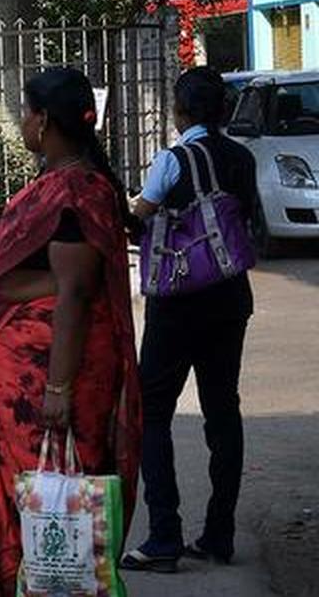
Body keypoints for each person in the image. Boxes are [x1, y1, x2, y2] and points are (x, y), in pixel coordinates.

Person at [0, 67, 143, 596]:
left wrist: (57, 389)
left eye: (25, 111)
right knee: (38, 498)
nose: (22, 122)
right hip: (24, 376)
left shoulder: (76, 193)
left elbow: (76, 292)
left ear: (43, 120)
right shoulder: (67, 183)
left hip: (50, 381)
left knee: (48, 498)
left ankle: (48, 585)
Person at [121, 67, 257, 573]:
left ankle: (163, 536)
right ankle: (219, 534)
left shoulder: (172, 161)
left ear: (180, 112)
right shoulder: (241, 157)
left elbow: (142, 213)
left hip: (177, 301)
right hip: (229, 297)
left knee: (152, 411)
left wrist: (130, 205)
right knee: (223, 410)